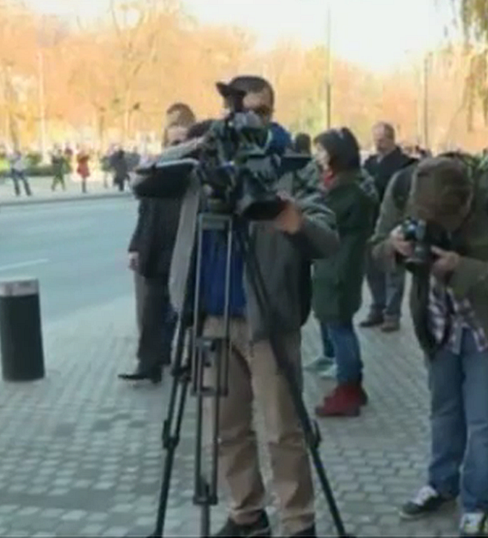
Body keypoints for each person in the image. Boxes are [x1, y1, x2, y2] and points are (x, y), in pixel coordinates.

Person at [159, 75, 340, 537]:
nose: (246, 118)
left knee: (283, 429)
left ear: (272, 111)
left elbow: (327, 237)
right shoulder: (206, 151)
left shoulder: (290, 162)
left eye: (258, 110)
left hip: (268, 315)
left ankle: (298, 523)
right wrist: (194, 144)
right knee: (224, 427)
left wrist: (292, 219)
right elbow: (151, 177)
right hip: (210, 312)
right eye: (238, 109)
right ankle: (247, 513)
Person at [372, 154, 488, 537]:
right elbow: (375, 246)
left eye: (447, 223)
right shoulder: (402, 187)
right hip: (438, 324)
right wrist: (394, 248)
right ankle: (441, 483)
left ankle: (478, 503)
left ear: (467, 203)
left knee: (485, 422)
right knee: (443, 411)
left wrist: (461, 267)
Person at [120, 104, 196, 383]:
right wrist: (135, 246)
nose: (174, 138)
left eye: (180, 133)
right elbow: (144, 209)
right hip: (155, 243)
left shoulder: (193, 167)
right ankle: (148, 363)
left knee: (185, 309)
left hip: (184, 242)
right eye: (171, 132)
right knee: (152, 309)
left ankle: (188, 362)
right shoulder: (156, 165)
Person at [310, 128, 378, 417]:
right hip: (336, 266)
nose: (318, 156)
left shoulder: (348, 192)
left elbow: (325, 219)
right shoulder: (344, 186)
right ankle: (351, 385)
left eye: (323, 151)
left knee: (340, 328)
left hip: (338, 268)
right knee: (339, 326)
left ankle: (348, 387)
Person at [360, 122, 417, 332]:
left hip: (396, 221)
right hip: (372, 221)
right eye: (375, 140)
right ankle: (377, 307)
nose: (378, 145)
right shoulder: (370, 163)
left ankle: (392, 314)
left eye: (382, 140)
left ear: (392, 139)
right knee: (372, 267)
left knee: (394, 269)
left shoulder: (405, 164)